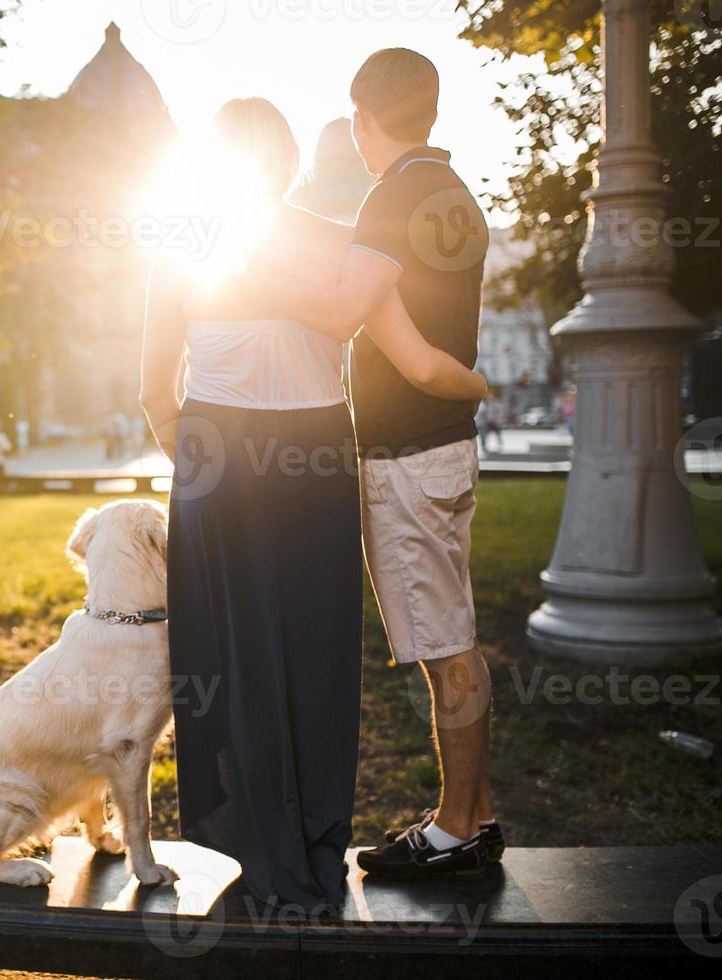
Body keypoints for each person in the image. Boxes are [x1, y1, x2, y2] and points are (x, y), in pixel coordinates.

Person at [141, 96, 486, 912]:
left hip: (217, 461)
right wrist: (470, 385)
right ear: (290, 161)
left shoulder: (184, 247)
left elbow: (155, 392)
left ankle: (251, 830)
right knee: (317, 651)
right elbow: (411, 356)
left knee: (235, 656)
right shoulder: (342, 245)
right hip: (316, 462)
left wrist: (201, 466)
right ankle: (316, 830)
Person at [258, 49, 502, 879]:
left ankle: (456, 829)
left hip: (408, 456)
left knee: (447, 650)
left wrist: (253, 273)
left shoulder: (392, 195)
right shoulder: (450, 190)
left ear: (364, 118)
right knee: (453, 642)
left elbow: (338, 314)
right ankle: (472, 815)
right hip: (445, 446)